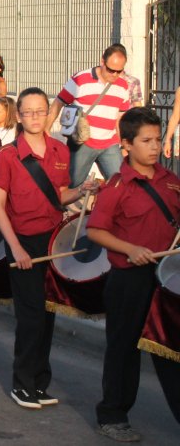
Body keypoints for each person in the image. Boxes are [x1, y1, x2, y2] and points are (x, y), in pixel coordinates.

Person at [0, 87, 99, 410]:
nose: (35, 117)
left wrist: (83, 190)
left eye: (41, 111)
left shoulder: (60, 151)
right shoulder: (6, 156)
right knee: (31, 316)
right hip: (20, 241)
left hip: (51, 240)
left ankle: (39, 383)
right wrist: (16, 249)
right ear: (19, 116)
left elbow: (59, 195)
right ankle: (21, 384)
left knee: (47, 314)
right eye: (28, 112)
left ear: (48, 114)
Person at [87, 107, 180, 441]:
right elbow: (96, 231)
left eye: (157, 139)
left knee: (169, 348)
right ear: (126, 145)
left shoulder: (171, 181)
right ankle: (112, 416)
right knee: (123, 350)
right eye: (146, 141)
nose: (154, 147)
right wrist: (130, 249)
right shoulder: (116, 186)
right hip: (128, 280)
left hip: (165, 281)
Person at [47, 43, 131, 186]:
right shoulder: (81, 79)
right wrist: (46, 131)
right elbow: (58, 103)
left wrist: (123, 145)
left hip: (109, 144)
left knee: (121, 184)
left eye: (119, 71)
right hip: (83, 142)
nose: (115, 75)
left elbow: (120, 119)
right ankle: (56, 207)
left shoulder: (123, 86)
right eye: (111, 70)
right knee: (71, 183)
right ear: (102, 61)